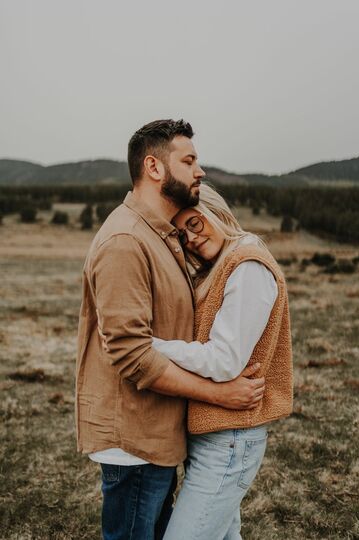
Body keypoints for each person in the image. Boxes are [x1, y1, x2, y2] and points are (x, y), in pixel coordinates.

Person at [75, 119, 266, 540]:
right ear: (154, 167)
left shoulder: (158, 235)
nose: (200, 171)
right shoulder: (126, 240)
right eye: (189, 160)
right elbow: (131, 353)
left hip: (155, 437)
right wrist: (220, 393)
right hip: (135, 441)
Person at [150, 184, 293, 540]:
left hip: (230, 440)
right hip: (216, 436)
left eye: (194, 224)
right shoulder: (225, 263)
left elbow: (223, 360)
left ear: (216, 210)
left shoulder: (248, 266)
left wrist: (151, 346)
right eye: (182, 235)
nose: (191, 239)